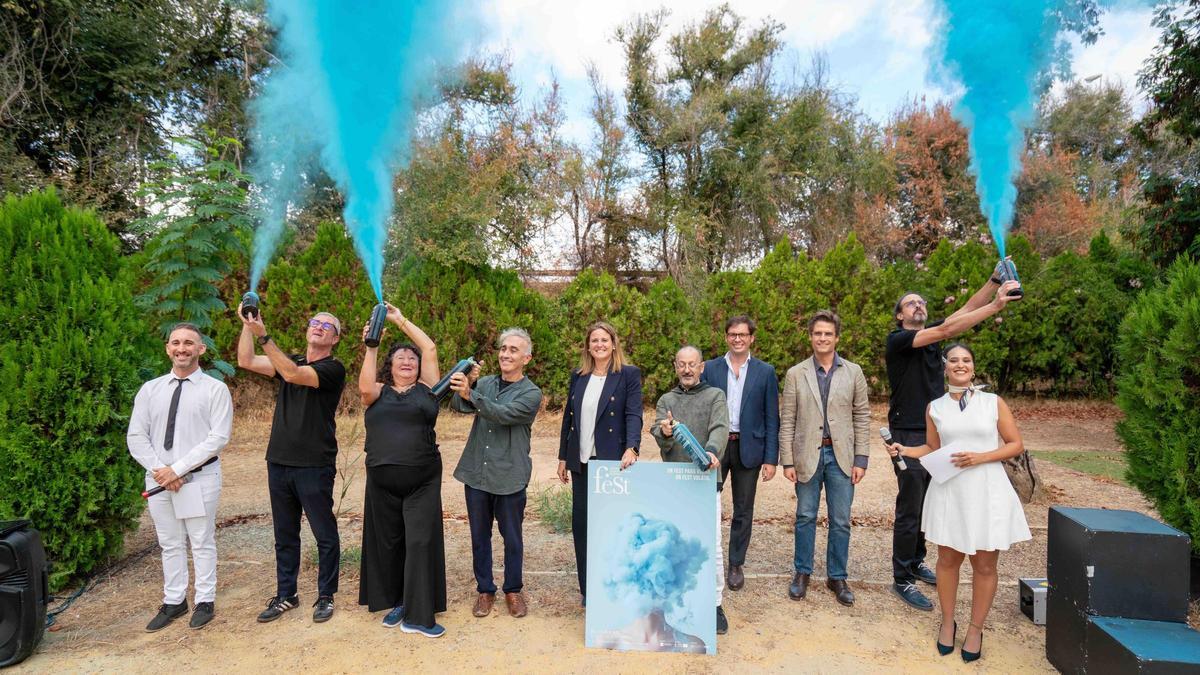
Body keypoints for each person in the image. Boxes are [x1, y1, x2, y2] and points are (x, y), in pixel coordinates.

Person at [886, 343, 1032, 662]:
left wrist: (982, 457)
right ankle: (947, 622)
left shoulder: (993, 403)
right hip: (950, 490)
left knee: (983, 564)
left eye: (966, 359)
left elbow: (1015, 444)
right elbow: (931, 447)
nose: (960, 364)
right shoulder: (935, 407)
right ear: (945, 367)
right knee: (948, 561)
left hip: (986, 490)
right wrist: (906, 450)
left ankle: (976, 628)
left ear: (973, 367)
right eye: (954, 360)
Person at [886, 272, 1021, 611]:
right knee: (910, 507)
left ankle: (917, 562)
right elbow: (949, 329)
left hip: (940, 431)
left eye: (922, 302)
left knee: (930, 502)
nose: (919, 305)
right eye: (910, 303)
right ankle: (902, 577)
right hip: (911, 432)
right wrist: (995, 306)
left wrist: (992, 281)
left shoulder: (931, 338)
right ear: (900, 316)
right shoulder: (899, 339)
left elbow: (962, 310)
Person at [238, 302, 345, 624]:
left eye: (328, 326)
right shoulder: (292, 359)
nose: (319, 326)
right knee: (285, 534)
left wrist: (265, 335)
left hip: (314, 464)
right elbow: (244, 360)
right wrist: (248, 322)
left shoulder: (333, 369)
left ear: (336, 339)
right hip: (279, 461)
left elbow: (291, 374)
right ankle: (287, 595)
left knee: (324, 533)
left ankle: (325, 596)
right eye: (315, 321)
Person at [128, 323, 233, 632]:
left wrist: (179, 469)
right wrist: (161, 470)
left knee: (201, 540)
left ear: (201, 349)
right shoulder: (151, 389)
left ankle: (204, 600)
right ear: (167, 348)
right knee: (170, 542)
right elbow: (136, 436)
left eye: (189, 343)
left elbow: (218, 437)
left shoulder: (215, 390)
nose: (182, 348)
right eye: (176, 342)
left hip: (198, 479)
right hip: (159, 479)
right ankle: (174, 601)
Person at [356, 303, 448, 638]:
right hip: (381, 481)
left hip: (422, 479)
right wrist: (373, 343)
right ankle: (399, 603)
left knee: (420, 541)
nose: (407, 361)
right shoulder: (377, 392)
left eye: (412, 359)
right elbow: (364, 388)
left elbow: (430, 347)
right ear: (389, 366)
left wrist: (399, 320)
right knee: (390, 544)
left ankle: (419, 617)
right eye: (400, 359)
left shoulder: (429, 390)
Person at [450, 328, 543, 620]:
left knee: (512, 537)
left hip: (509, 475)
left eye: (514, 350)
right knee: (479, 535)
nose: (506, 354)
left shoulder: (531, 393)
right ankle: (485, 590)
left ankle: (513, 590)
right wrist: (470, 386)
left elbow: (503, 414)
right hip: (477, 472)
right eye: (503, 349)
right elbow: (458, 406)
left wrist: (471, 394)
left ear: (526, 358)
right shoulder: (486, 383)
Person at [779, 311, 870, 607]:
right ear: (810, 337)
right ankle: (802, 573)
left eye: (828, 334)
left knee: (841, 519)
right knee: (805, 516)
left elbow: (862, 416)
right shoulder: (796, 373)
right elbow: (788, 420)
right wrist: (788, 461)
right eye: (817, 333)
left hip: (841, 455)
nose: (822, 338)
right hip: (807, 454)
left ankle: (837, 576)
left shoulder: (853, 372)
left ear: (837, 338)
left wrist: (862, 458)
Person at [557, 321, 643, 606]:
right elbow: (568, 419)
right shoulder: (578, 376)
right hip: (582, 462)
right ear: (588, 346)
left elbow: (633, 414)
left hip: (611, 462)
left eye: (604, 340)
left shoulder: (628, 375)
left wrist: (632, 447)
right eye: (594, 340)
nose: (599, 345)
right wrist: (562, 457)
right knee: (582, 525)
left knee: (612, 524)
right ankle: (588, 589)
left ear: (614, 344)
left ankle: (614, 584)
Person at [650, 346, 729, 634]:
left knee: (713, 545)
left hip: (707, 480)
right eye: (681, 364)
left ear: (702, 366)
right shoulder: (666, 400)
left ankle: (715, 605)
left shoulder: (716, 396)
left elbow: (720, 428)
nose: (687, 369)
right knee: (675, 544)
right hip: (674, 481)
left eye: (692, 364)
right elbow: (660, 436)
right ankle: (674, 604)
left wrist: (709, 452)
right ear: (675, 366)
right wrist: (665, 432)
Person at [700, 315, 779, 591]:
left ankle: (735, 563)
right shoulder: (709, 369)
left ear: (751, 338)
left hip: (749, 447)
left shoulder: (765, 372)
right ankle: (706, 557)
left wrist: (771, 458)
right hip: (717, 447)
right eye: (733, 334)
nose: (737, 339)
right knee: (708, 504)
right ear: (726, 337)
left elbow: (772, 417)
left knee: (743, 508)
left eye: (743, 335)